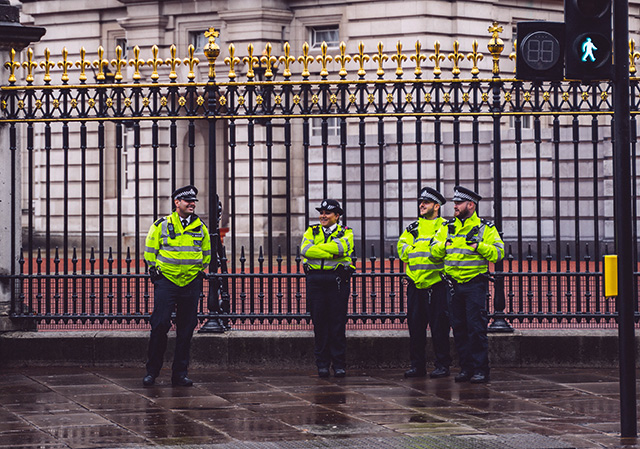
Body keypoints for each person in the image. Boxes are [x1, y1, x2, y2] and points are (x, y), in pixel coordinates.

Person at [430, 186, 504, 384]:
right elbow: (433, 251)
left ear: (470, 205)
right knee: (459, 328)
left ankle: (481, 369)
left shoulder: (485, 228)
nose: (454, 206)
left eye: (458, 203)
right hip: (453, 285)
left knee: (476, 328)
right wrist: (442, 245)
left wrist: (478, 245)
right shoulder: (447, 227)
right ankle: (466, 368)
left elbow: (498, 253)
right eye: (454, 202)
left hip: (474, 285)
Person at [143, 185, 211, 387]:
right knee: (160, 325)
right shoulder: (161, 225)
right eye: (188, 201)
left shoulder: (201, 227)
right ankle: (152, 372)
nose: (192, 204)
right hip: (167, 281)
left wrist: (197, 272)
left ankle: (179, 374)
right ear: (177, 203)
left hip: (190, 282)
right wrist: (156, 271)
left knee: (186, 328)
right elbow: (150, 250)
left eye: (194, 201)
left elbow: (206, 254)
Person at [397, 187, 451, 378]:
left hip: (437, 285)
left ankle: (442, 365)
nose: (421, 205)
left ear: (436, 206)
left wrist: (415, 248)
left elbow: (441, 253)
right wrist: (425, 249)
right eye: (421, 202)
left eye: (426, 202)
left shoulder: (445, 227)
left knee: (440, 328)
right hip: (415, 284)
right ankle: (417, 366)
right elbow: (401, 251)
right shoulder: (412, 228)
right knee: (415, 328)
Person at [301, 199, 355, 378]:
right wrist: (330, 250)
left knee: (337, 323)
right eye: (321, 212)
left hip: (337, 280)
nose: (322, 216)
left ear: (337, 216)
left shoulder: (346, 232)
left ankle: (339, 364)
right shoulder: (312, 230)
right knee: (319, 323)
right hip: (315, 281)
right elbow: (305, 250)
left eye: (327, 213)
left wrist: (318, 249)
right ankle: (322, 364)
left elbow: (343, 248)